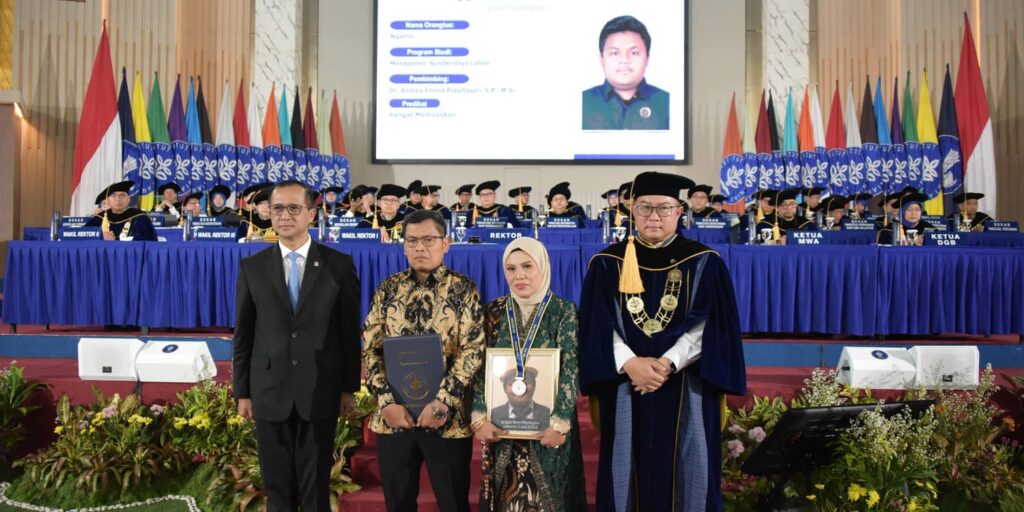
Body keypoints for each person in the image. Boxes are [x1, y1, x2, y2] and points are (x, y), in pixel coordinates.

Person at [579, 171, 746, 511]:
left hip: (686, 382)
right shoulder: (607, 264)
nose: (654, 216)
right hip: (626, 383)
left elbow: (712, 326)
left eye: (664, 208)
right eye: (645, 207)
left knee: (689, 471)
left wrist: (667, 363)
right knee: (626, 471)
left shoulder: (704, 262)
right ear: (632, 211)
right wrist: (630, 363)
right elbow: (596, 325)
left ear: (679, 211)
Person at [232, 180, 362, 510]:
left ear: (311, 214)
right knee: (277, 488)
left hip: (320, 389)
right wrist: (243, 392)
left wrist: (348, 388)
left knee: (315, 487)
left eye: (294, 208)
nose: (285, 215)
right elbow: (244, 336)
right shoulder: (252, 267)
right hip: (269, 389)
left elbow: (348, 333)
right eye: (277, 208)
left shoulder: (339, 265)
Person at [363, 209, 485, 512]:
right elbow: (371, 349)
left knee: (453, 502)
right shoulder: (387, 289)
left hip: (447, 419)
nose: (420, 247)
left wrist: (443, 403)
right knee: (398, 504)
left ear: (445, 243)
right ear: (403, 245)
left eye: (429, 239)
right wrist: (386, 402)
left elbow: (473, 350)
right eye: (412, 240)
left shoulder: (463, 289)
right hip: (394, 418)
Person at [471, 237, 587, 512]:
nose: (519, 275)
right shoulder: (494, 311)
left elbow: (570, 368)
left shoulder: (562, 310)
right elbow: (479, 368)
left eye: (527, 266)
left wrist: (560, 423)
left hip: (550, 430)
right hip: (502, 429)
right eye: (511, 269)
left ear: (543, 267)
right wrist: (478, 418)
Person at [582, 15, 669, 130]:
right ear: (601, 59)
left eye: (634, 53)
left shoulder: (668, 103)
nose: (624, 60)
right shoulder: (582, 102)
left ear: (647, 58)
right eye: (614, 53)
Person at [85, 180, 157, 241]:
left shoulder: (140, 217)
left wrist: (115, 239)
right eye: (113, 195)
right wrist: (100, 236)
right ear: (108, 200)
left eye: (122, 195)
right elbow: (83, 235)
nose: (118, 199)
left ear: (129, 199)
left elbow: (147, 240)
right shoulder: (100, 218)